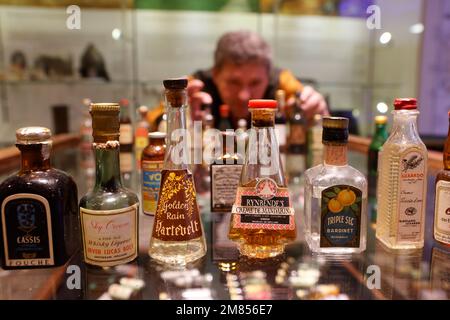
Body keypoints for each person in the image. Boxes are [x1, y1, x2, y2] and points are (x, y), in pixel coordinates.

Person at [148, 30, 328, 130]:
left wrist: (319, 114)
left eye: (255, 83)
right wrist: (178, 117)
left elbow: (315, 111)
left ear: (268, 75)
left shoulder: (282, 81)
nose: (244, 96)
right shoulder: (196, 86)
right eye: (234, 82)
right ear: (215, 74)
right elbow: (152, 121)